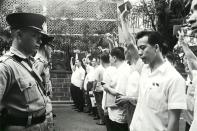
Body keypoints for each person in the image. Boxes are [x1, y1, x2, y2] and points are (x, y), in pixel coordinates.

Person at [129, 31, 187, 131]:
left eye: (143, 48)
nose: (139, 52)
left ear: (156, 47)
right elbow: (130, 46)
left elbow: (173, 123)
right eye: (138, 48)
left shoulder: (174, 79)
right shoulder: (144, 69)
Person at [0, 12, 47, 131]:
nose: (40, 41)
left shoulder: (27, 62)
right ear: (19, 35)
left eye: (39, 37)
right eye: (34, 36)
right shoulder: (6, 66)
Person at [102, 47, 130, 131]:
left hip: (119, 114)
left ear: (114, 58)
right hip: (114, 111)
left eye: (110, 57)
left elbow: (120, 94)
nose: (109, 59)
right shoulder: (119, 69)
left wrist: (107, 87)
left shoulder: (123, 71)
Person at [33, 34, 54, 129]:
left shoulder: (43, 61)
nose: (52, 51)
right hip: (42, 98)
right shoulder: (40, 62)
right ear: (45, 47)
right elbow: (34, 83)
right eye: (51, 48)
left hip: (45, 96)